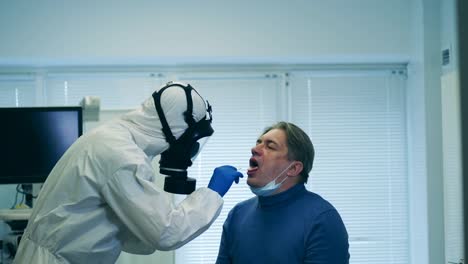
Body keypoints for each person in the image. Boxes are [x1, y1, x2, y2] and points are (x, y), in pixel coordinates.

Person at [13, 81, 243, 264]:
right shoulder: (121, 155)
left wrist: (151, 221)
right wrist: (212, 193)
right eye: (191, 138)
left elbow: (135, 237)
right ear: (177, 128)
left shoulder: (112, 137)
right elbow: (166, 233)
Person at [216, 121, 349, 264]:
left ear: (293, 169)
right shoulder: (237, 214)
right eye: (258, 143)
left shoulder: (322, 219)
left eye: (270, 146)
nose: (254, 149)